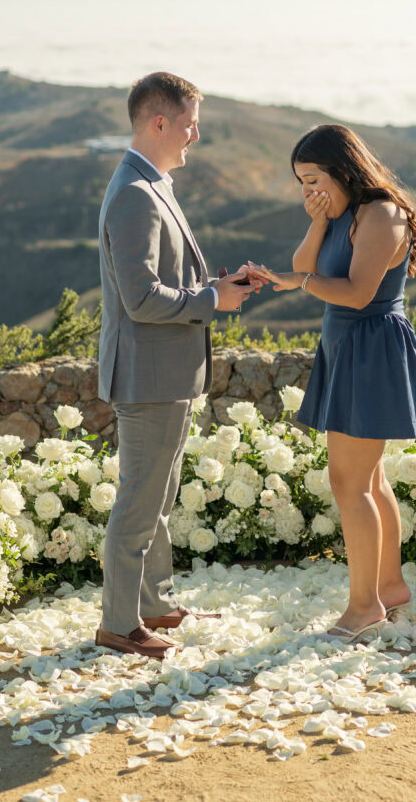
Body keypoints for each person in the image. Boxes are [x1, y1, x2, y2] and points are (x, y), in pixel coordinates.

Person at [96, 71, 262, 657]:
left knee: (157, 498)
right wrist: (213, 301)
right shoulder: (134, 195)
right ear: (159, 122)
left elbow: (163, 284)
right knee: (139, 500)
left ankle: (154, 603)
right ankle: (119, 623)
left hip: (163, 373)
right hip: (147, 376)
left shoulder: (152, 183)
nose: (196, 134)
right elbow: (140, 300)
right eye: (190, 123)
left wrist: (216, 286)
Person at [246, 124, 416, 643]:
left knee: (349, 483)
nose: (308, 190)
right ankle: (389, 588)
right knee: (368, 480)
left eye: (313, 179)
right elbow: (303, 265)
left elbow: (354, 292)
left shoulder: (382, 213)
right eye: (300, 182)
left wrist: (298, 283)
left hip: (372, 349)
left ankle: (364, 605)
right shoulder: (342, 213)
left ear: (342, 166)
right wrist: (318, 220)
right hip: (345, 347)